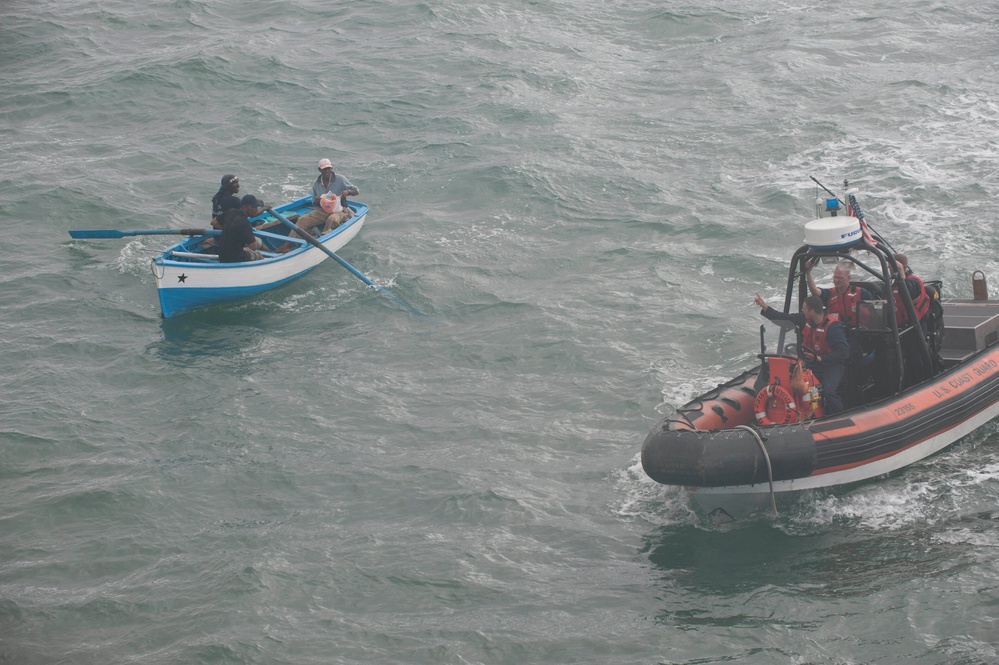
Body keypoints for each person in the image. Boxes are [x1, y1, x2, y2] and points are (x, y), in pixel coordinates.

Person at [753, 293, 850, 415]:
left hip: (830, 365)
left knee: (829, 392)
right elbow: (783, 318)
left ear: (812, 311)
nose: (802, 310)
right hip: (809, 363)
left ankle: (837, 418)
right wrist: (765, 307)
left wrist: (820, 358)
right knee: (784, 381)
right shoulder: (804, 319)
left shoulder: (833, 328)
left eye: (804, 308)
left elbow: (843, 353)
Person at [276, 158, 359, 252]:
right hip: (323, 210)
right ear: (320, 170)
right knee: (302, 220)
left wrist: (347, 192)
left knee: (332, 219)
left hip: (340, 210)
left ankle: (323, 239)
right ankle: (287, 244)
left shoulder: (340, 179)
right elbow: (314, 202)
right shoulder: (316, 183)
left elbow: (356, 191)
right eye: (324, 169)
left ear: (332, 168)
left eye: (329, 168)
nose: (327, 171)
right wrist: (316, 200)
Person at [805, 259, 874, 327]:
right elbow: (814, 291)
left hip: (857, 332)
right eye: (835, 277)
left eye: (840, 278)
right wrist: (808, 272)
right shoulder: (829, 294)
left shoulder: (862, 293)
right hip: (837, 332)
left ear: (848, 278)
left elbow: (875, 312)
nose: (836, 280)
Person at [218, 195, 266, 263]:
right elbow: (253, 247)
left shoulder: (230, 211)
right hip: (236, 258)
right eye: (253, 207)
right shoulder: (245, 223)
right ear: (245, 207)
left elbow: (214, 222)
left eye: (257, 207)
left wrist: (228, 228)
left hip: (222, 255)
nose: (256, 210)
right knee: (258, 255)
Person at [891, 253, 930, 329]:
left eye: (889, 266)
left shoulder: (912, 282)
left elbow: (905, 291)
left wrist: (900, 273)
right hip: (900, 325)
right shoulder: (896, 283)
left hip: (914, 328)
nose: (888, 267)